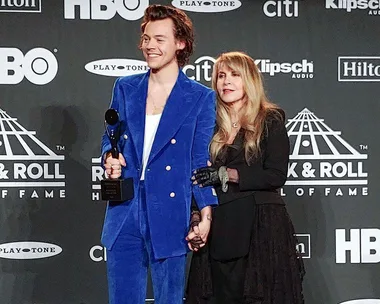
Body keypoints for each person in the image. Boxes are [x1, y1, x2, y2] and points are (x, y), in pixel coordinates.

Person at [100, 5, 217, 304]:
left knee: (169, 299)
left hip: (169, 212)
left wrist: (205, 213)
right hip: (124, 209)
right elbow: (110, 137)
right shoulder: (125, 87)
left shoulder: (200, 97)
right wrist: (109, 158)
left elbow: (198, 160)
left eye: (159, 39)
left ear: (181, 43)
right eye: (146, 38)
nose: (150, 45)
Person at [186, 51, 305, 304]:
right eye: (220, 76)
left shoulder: (270, 119)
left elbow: (275, 175)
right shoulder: (208, 124)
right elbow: (198, 178)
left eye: (234, 75)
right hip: (219, 228)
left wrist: (226, 174)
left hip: (260, 228)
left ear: (249, 80)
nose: (225, 82)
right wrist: (196, 218)